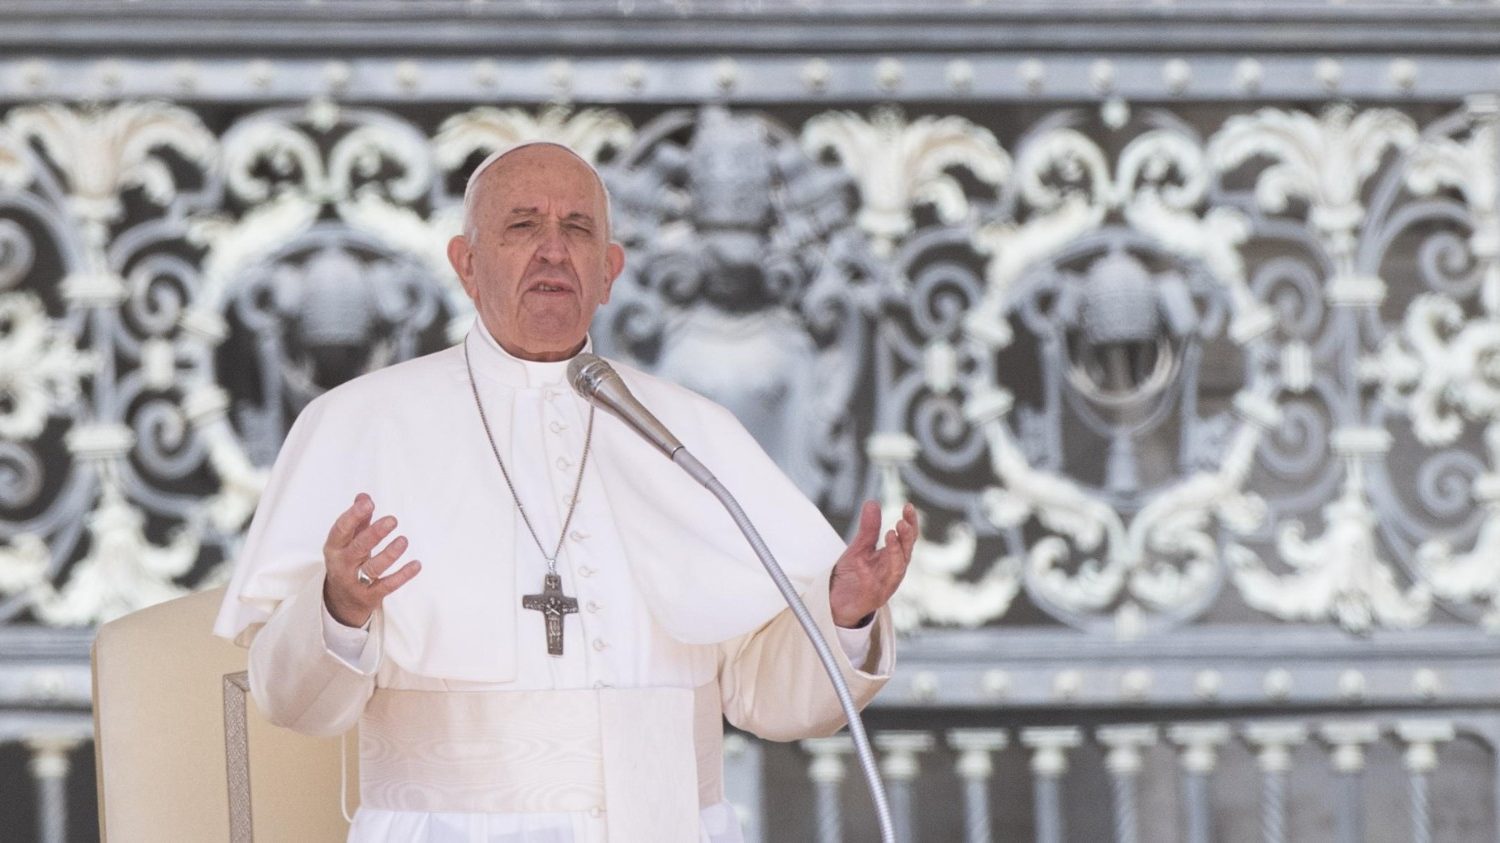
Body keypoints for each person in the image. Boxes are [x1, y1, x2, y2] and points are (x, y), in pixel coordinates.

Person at [214, 141, 917, 842]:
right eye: (523, 226)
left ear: (609, 271)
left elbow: (767, 693)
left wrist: (841, 616)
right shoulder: (358, 423)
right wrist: (337, 608)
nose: (553, 249)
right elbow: (290, 702)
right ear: (466, 263)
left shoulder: (692, 433)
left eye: (577, 229)